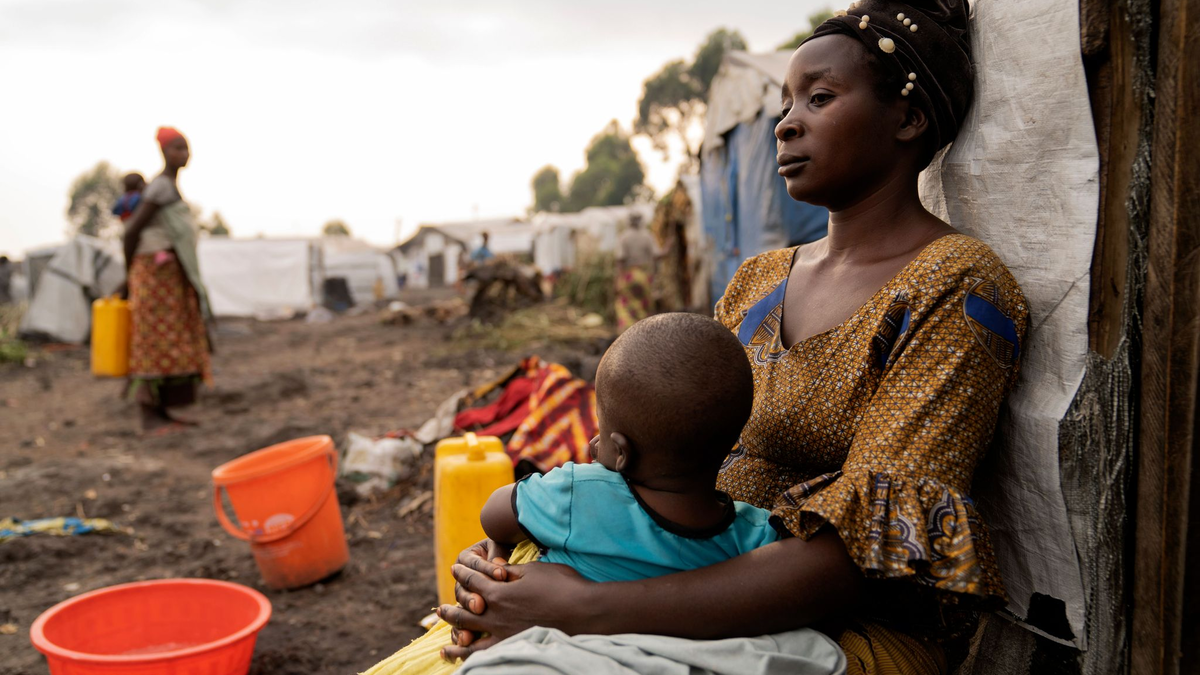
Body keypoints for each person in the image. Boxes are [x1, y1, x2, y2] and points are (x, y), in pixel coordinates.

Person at [434, 2, 1030, 674]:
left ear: (909, 118)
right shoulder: (756, 282)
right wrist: (533, 558)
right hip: (669, 583)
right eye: (785, 102)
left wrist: (586, 605)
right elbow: (658, 461)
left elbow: (857, 566)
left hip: (843, 631)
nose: (786, 122)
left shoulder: (957, 289)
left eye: (821, 97)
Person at [364, 313, 845, 675]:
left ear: (618, 450)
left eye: (601, 430)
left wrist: (503, 541)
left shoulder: (578, 493)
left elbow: (495, 514)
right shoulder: (755, 531)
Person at [122, 127, 213, 435]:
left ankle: (163, 411)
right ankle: (148, 415)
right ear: (163, 152)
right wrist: (128, 275)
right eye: (177, 148)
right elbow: (131, 232)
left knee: (170, 341)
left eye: (186, 148)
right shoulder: (160, 188)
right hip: (154, 274)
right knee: (152, 342)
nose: (183, 154)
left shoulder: (168, 187)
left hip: (168, 275)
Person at [613, 212, 659, 332]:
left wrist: (618, 279)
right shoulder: (647, 236)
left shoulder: (624, 237)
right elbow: (657, 255)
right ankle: (645, 332)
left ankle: (627, 333)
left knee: (625, 305)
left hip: (629, 276)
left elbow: (620, 260)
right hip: (644, 277)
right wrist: (668, 247)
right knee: (645, 305)